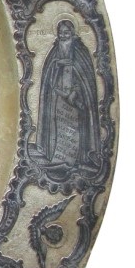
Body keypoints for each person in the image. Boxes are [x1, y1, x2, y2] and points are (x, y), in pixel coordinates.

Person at [36, 20, 100, 169]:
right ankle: (58, 157)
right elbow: (48, 72)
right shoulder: (54, 51)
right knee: (58, 125)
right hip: (57, 98)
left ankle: (78, 159)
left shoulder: (80, 51)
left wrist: (75, 91)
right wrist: (56, 65)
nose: (63, 36)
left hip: (76, 98)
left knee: (75, 125)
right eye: (61, 33)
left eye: (66, 33)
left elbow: (85, 76)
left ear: (73, 33)